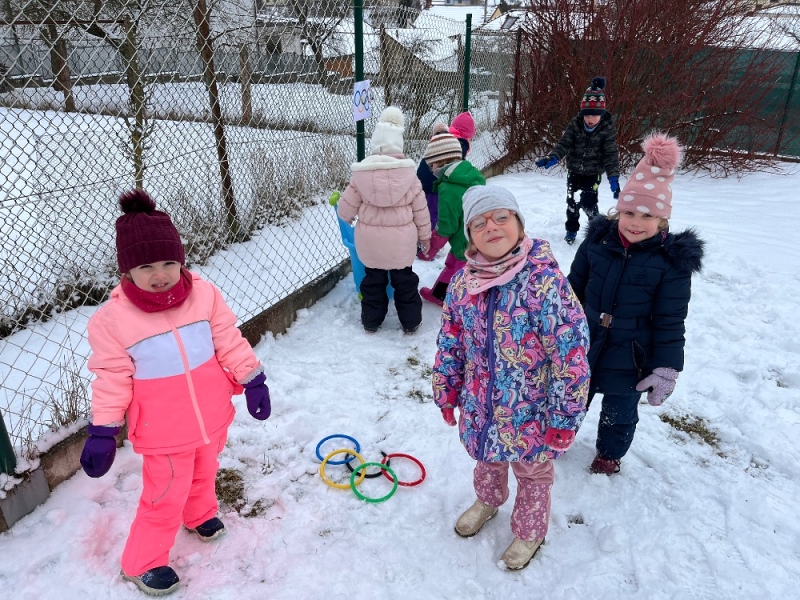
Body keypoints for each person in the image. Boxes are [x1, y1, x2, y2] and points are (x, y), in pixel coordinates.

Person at [80, 189, 271, 596]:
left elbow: (228, 340)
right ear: (127, 270)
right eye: (146, 266)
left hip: (212, 413)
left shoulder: (203, 295)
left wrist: (252, 379)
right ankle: (142, 562)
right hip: (163, 430)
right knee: (164, 493)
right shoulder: (113, 321)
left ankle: (199, 514)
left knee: (205, 470)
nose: (161, 274)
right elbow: (111, 379)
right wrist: (103, 431)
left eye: (169, 262)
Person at [432, 185, 590, 570]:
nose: (491, 226)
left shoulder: (544, 282)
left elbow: (570, 354)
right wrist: (447, 391)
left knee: (533, 472)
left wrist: (564, 417)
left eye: (501, 217)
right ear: (470, 237)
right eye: (479, 223)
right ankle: (488, 501)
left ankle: (530, 530)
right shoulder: (463, 284)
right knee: (487, 458)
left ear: (519, 224)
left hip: (532, 411)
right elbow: (451, 341)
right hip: (482, 404)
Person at [567, 132, 704, 476]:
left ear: (662, 221)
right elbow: (571, 291)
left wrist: (667, 366)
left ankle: (609, 455)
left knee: (620, 411)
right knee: (570, 397)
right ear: (617, 211)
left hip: (632, 352)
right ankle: (559, 437)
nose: (636, 222)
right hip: (585, 340)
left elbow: (670, 319)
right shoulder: (596, 244)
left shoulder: (671, 264)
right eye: (629, 212)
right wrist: (554, 331)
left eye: (647, 216)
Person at [338, 106, 431, 333]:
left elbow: (345, 211)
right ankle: (411, 322)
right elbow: (421, 210)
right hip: (402, 244)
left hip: (370, 244)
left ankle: (371, 321)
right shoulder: (409, 177)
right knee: (405, 282)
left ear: (374, 147)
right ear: (398, 147)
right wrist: (425, 237)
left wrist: (348, 215)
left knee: (372, 282)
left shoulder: (360, 177)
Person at [535, 76, 620, 245]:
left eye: (594, 115)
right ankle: (571, 230)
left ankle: (596, 230)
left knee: (589, 203)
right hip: (574, 171)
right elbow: (564, 143)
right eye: (586, 114)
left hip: (593, 174)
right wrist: (553, 157)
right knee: (572, 202)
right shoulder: (575, 125)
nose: (590, 119)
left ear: (601, 114)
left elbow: (611, 155)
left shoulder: (606, 130)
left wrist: (613, 178)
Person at [419, 129, 485, 306]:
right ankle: (439, 294)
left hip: (465, 241)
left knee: (462, 272)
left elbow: (447, 225)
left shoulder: (448, 188)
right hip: (476, 236)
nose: (431, 169)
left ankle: (461, 305)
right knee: (452, 263)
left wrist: (432, 247)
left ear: (440, 161)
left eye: (431, 164)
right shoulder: (471, 175)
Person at [417, 112, 476, 261]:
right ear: (467, 134)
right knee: (434, 213)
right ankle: (427, 243)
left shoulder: (447, 137)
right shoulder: (460, 143)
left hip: (424, 178)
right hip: (434, 183)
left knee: (426, 211)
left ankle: (424, 239)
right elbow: (455, 167)